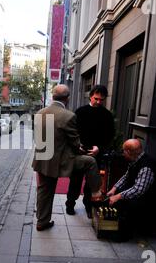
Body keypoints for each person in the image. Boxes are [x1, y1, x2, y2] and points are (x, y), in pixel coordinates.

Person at [32, 84, 103, 231]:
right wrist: (83, 149)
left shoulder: (39, 113)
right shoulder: (69, 116)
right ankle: (96, 192)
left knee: (44, 191)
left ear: (52, 96)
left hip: (42, 159)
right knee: (90, 161)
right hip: (60, 161)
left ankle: (41, 222)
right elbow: (75, 143)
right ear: (67, 98)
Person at [66, 85, 115, 218]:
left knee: (91, 182)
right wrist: (77, 145)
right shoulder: (80, 111)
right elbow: (72, 131)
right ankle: (70, 203)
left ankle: (88, 205)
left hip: (96, 153)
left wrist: (99, 147)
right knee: (75, 179)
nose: (98, 102)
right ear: (91, 96)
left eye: (101, 100)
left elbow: (110, 136)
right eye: (96, 99)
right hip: (80, 152)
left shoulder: (107, 115)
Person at [106, 139, 156, 242]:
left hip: (152, 203)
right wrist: (114, 188)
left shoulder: (146, 166)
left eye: (123, 151)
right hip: (144, 196)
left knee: (123, 199)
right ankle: (117, 225)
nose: (123, 153)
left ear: (129, 152)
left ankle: (124, 233)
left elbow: (138, 190)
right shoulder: (135, 160)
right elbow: (126, 177)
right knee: (118, 193)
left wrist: (118, 196)